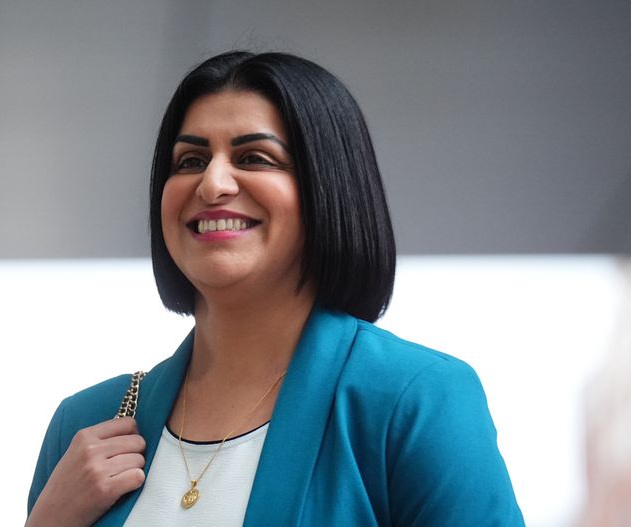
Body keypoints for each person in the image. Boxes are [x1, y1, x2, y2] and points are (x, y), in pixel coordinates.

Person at [26, 51, 524, 526]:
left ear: (327, 188)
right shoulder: (85, 423)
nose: (212, 184)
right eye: (190, 160)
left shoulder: (415, 399)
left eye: (254, 157)